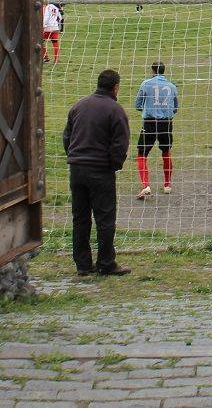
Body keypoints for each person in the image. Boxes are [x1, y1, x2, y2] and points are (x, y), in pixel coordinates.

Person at [63, 68, 131, 276]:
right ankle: (106, 262)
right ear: (116, 87)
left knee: (80, 217)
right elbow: (120, 143)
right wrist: (114, 165)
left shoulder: (79, 105)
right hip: (100, 170)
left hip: (77, 168)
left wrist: (74, 156)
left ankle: (82, 264)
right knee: (105, 218)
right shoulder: (115, 110)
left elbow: (67, 136)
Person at [133, 61, 178, 199]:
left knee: (142, 153)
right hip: (166, 123)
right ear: (164, 71)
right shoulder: (172, 86)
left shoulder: (146, 83)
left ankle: (146, 185)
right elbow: (175, 107)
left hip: (150, 123)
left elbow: (138, 104)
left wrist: (148, 109)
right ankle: (167, 185)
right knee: (166, 151)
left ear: (153, 71)